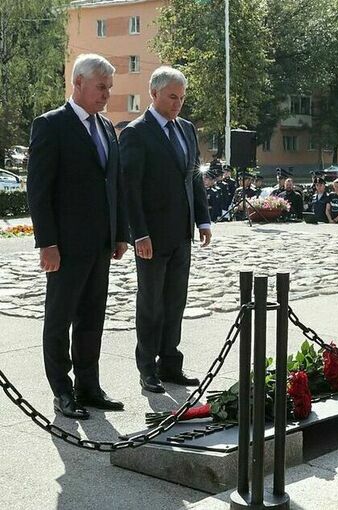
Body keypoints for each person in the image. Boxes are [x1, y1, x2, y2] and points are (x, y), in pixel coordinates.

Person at [26, 53, 128, 419]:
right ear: (79, 83)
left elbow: (114, 185)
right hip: (65, 247)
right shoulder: (51, 125)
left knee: (92, 318)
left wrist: (120, 234)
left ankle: (89, 386)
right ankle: (62, 391)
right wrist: (47, 243)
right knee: (60, 318)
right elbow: (39, 190)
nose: (107, 95)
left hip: (100, 244)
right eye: (101, 87)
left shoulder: (105, 127)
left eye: (109, 88)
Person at [120, 66, 212, 394]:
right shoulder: (136, 132)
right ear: (154, 93)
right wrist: (138, 233)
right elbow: (129, 189)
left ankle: (171, 364)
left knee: (175, 302)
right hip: (151, 238)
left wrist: (203, 219)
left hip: (181, 234)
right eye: (173, 96)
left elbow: (194, 177)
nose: (178, 103)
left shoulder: (186, 129)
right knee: (151, 304)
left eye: (183, 98)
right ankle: (148, 369)